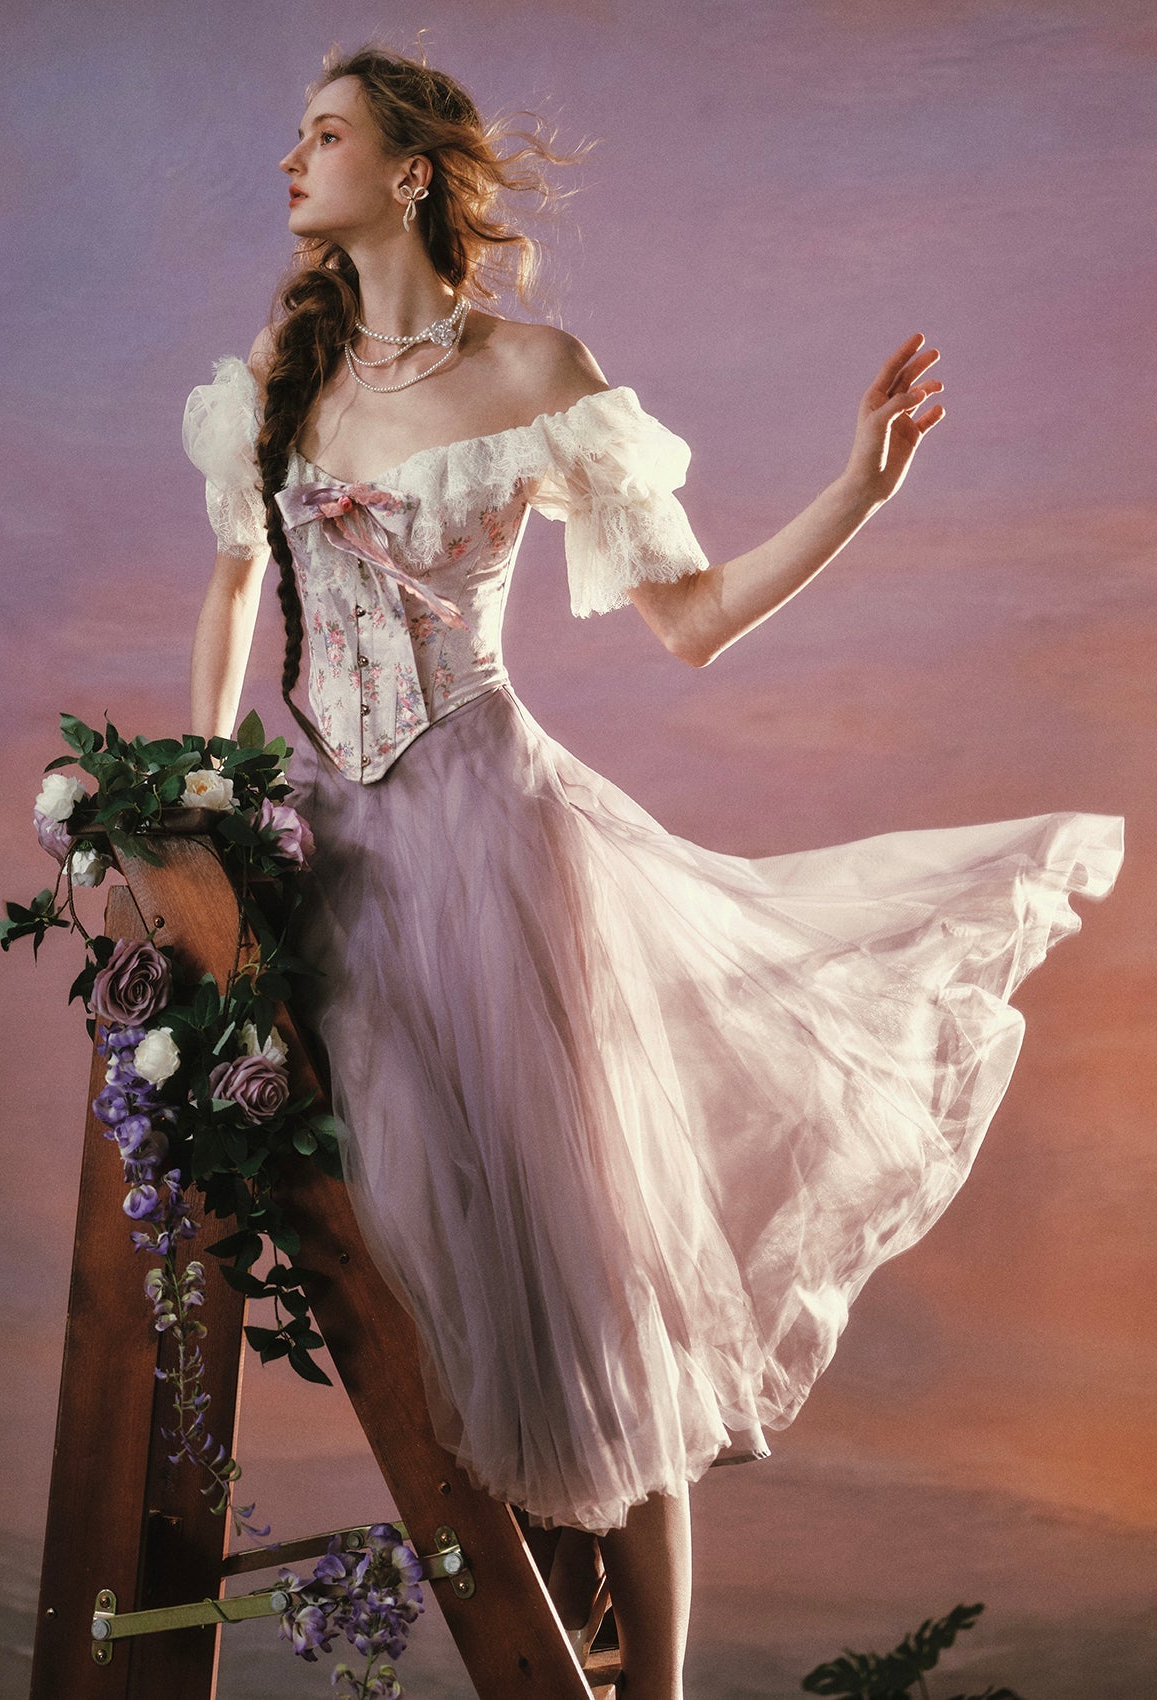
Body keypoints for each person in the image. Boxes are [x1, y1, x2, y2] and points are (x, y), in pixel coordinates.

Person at [183, 44, 1124, 1700]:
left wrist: (857, 490)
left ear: (408, 171)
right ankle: (557, 1624)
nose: (291, 159)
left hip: (497, 853)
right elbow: (234, 590)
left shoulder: (537, 370)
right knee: (415, 1260)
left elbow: (690, 621)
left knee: (588, 1292)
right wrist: (203, 788)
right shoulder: (287, 371)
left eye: (323, 134)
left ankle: (652, 1686)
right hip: (336, 864)